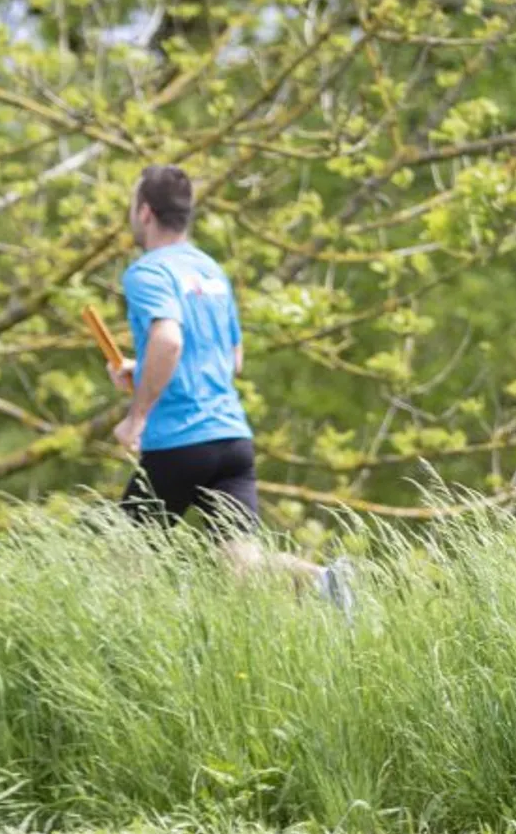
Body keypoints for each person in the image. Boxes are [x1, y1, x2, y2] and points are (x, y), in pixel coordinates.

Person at [109, 164, 354, 613]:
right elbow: (231, 358)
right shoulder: (211, 271)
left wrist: (137, 414)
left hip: (180, 441)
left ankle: (129, 657)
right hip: (231, 442)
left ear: (145, 212)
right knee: (241, 566)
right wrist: (141, 368)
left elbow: (169, 339)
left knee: (125, 554)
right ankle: (324, 581)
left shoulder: (148, 273)